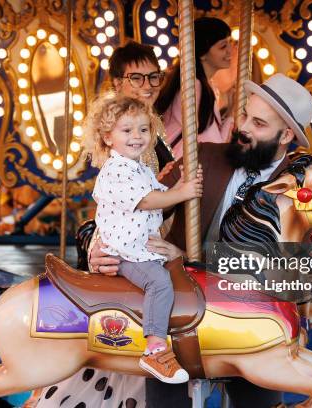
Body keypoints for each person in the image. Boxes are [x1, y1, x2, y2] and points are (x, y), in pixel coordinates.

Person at [89, 73, 312, 407]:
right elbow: (133, 204)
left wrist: (191, 257)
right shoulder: (204, 157)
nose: (244, 128)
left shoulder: (305, 188)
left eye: (259, 123)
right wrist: (101, 248)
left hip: (250, 318)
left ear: (286, 136)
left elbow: (303, 266)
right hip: (182, 313)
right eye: (245, 115)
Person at [83, 93, 203, 384]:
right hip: (124, 252)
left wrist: (183, 181)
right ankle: (155, 348)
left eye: (143, 129)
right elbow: (149, 200)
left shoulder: (136, 167)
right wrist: (184, 192)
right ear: (108, 138)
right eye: (127, 130)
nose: (137, 137)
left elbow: (160, 190)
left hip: (139, 246)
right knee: (159, 282)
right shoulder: (116, 170)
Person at [155, 17, 234, 160]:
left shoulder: (202, 85)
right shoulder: (194, 87)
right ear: (203, 53)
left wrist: (230, 112)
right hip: (182, 167)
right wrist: (232, 115)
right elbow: (212, 144)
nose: (230, 50)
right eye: (223, 46)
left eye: (230, 43)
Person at [109, 41, 173, 173]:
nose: (148, 85)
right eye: (136, 78)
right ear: (118, 83)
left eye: (153, 77)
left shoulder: (151, 121)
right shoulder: (117, 125)